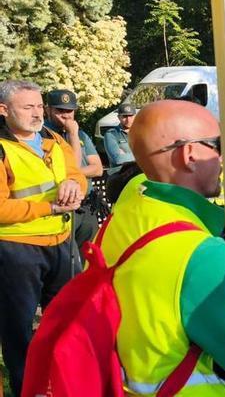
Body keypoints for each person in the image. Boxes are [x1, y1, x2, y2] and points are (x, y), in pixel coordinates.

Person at [99, 99, 225, 393]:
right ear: (189, 155)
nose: (223, 157)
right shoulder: (200, 253)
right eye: (217, 145)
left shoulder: (124, 211)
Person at [0, 80, 86, 396]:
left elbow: (76, 174)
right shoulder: (3, 148)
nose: (37, 113)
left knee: (67, 322)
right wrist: (49, 207)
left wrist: (75, 186)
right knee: (19, 330)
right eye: (28, 107)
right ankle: (28, 388)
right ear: (3, 110)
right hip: (16, 251)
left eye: (39, 106)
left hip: (62, 243)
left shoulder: (53, 138)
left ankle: (63, 384)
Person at [44, 89, 104, 249]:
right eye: (60, 110)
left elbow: (97, 168)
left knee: (89, 254)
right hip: (62, 207)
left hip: (86, 205)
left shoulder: (81, 135)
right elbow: (75, 169)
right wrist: (72, 135)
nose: (66, 115)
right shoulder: (43, 135)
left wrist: (71, 173)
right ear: (47, 110)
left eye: (69, 111)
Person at [104, 102, 137, 167]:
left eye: (131, 116)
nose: (128, 120)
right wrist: (142, 155)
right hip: (121, 172)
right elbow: (118, 159)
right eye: (124, 116)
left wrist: (126, 155)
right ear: (119, 117)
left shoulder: (142, 132)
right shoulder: (111, 134)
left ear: (135, 116)